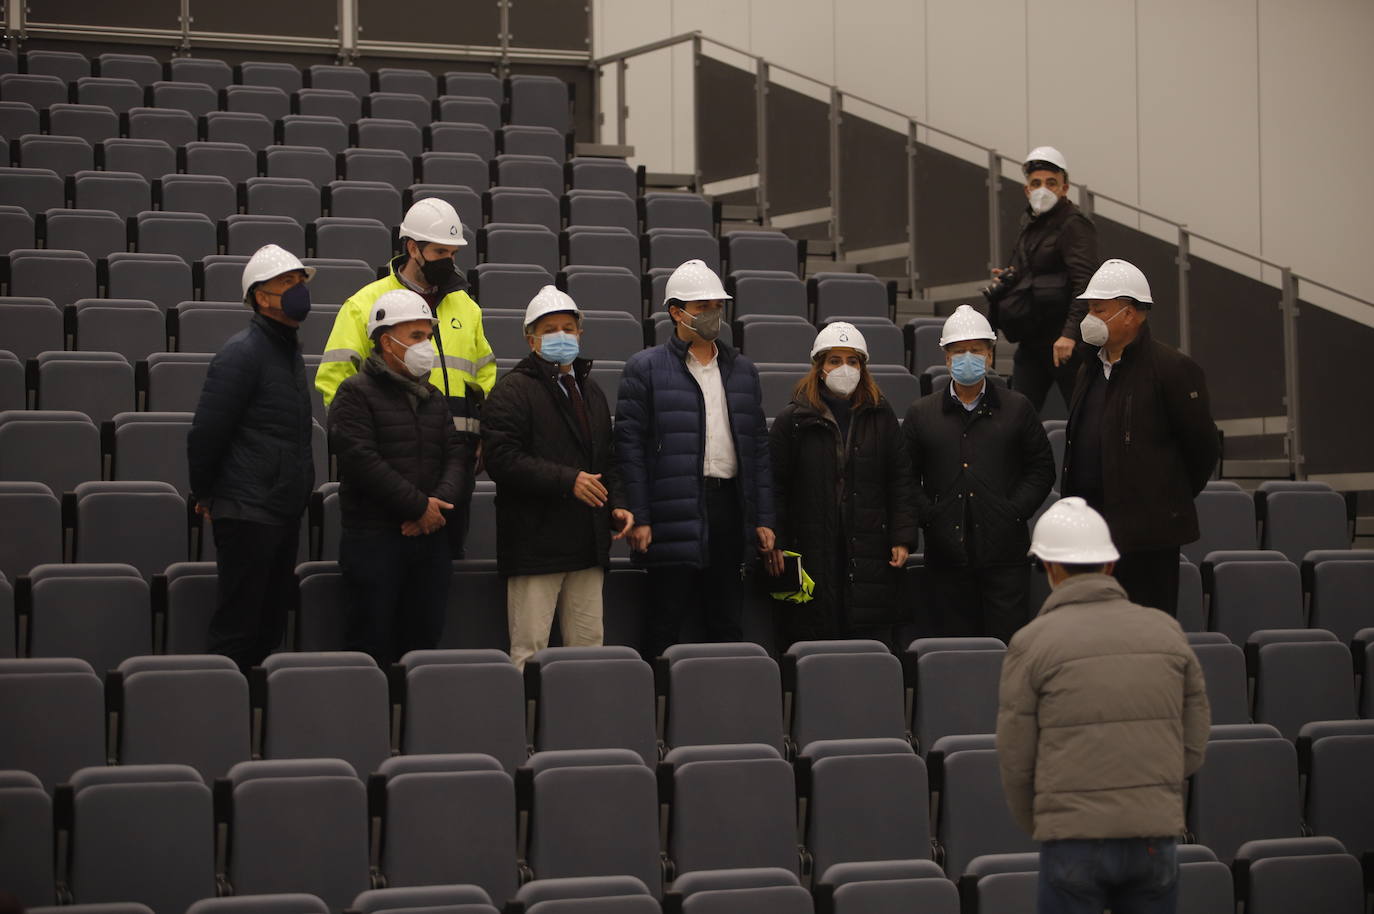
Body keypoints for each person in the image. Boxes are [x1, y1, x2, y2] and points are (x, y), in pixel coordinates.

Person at [997, 496, 1210, 914]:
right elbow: (1194, 740)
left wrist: (1045, 823)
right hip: (1154, 835)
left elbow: (1016, 758)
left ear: (1050, 569)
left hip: (1073, 836)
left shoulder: (1031, 643)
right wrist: (1150, 789)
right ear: (1110, 565)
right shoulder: (1166, 632)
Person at [615, 259, 775, 659]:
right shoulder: (645, 368)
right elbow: (629, 448)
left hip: (728, 506)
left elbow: (757, 449)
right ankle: (658, 710)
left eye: (716, 306)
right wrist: (642, 514)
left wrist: (763, 518)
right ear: (676, 312)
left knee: (726, 622)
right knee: (664, 622)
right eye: (701, 307)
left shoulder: (742, 371)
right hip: (673, 507)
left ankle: (725, 713)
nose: (711, 315)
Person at [316, 197, 493, 556]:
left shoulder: (466, 307)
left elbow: (485, 375)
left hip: (453, 471)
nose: (450, 261)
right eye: (441, 251)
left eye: (454, 253)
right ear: (413, 248)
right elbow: (335, 381)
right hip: (389, 470)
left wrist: (483, 434)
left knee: (437, 585)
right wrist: (371, 452)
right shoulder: (364, 304)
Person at [482, 286, 634, 669]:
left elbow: (608, 457)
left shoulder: (591, 391)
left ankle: (580, 727)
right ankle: (526, 727)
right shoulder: (511, 391)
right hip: (535, 546)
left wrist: (618, 504)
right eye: (550, 329)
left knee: (588, 652)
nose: (561, 335)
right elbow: (502, 460)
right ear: (530, 338)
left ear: (580, 334)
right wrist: (569, 480)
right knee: (529, 653)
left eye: (569, 327)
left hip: (587, 543)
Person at [1061, 259, 1218, 615]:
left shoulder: (1172, 369)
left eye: (1099, 311)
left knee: (1145, 630)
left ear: (1129, 315)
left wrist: (1162, 497)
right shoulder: (1089, 367)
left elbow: (1202, 449)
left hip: (1148, 538)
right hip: (1091, 531)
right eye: (1088, 310)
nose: (1090, 320)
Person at [188, 244, 316, 672]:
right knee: (238, 631)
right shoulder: (242, 353)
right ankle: (219, 718)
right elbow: (207, 431)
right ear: (261, 297)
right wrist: (206, 492)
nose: (298, 290)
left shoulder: (286, 350)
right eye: (287, 283)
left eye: (300, 282)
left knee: (267, 628)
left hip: (280, 509)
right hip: (247, 511)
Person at [327, 289, 468, 666]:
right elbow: (361, 460)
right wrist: (418, 506)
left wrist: (436, 509)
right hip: (375, 542)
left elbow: (455, 455)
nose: (426, 346)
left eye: (427, 336)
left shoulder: (434, 396)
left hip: (430, 541)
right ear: (386, 342)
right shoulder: (355, 392)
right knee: (369, 648)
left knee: (422, 647)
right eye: (416, 337)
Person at [903, 305, 1055, 643]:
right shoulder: (921, 413)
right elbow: (906, 476)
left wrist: (1013, 511)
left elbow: (1041, 468)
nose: (967, 357)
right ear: (946, 358)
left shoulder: (1017, 407)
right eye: (959, 351)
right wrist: (931, 516)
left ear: (989, 356)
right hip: (946, 558)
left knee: (1008, 649)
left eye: (976, 350)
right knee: (955, 650)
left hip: (1006, 558)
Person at [768, 322, 916, 645]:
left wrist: (903, 535)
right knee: (814, 636)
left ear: (863, 367)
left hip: (868, 548)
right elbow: (774, 485)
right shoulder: (792, 421)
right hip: (810, 546)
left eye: (852, 361)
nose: (844, 368)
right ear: (819, 367)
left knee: (865, 639)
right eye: (835, 360)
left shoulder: (882, 415)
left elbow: (900, 479)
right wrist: (775, 537)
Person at [984, 146, 1098, 413]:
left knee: (1084, 415)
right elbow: (1036, 273)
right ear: (1026, 189)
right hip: (1031, 340)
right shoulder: (1030, 225)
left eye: (1051, 183)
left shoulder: (1074, 224)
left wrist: (1069, 335)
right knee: (1017, 414)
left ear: (1064, 188)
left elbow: (1085, 281)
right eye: (1035, 183)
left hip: (1064, 343)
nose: (1042, 189)